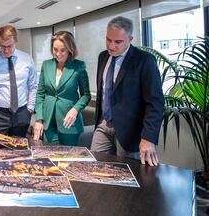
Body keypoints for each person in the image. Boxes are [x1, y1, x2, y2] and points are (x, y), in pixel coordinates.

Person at [91, 16, 164, 166]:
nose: (111, 46)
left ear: (130, 39)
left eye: (118, 42)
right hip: (104, 124)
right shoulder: (103, 57)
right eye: (108, 40)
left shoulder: (144, 60)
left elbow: (155, 102)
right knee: (94, 167)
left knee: (129, 177)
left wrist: (148, 138)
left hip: (131, 132)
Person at [0, 25, 37, 145]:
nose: (6, 50)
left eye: (9, 46)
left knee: (19, 151)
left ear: (16, 41)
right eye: (2, 46)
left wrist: (29, 108)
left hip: (21, 113)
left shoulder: (27, 59)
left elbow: (33, 86)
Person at [33, 31, 91, 145]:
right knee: (48, 157)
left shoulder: (79, 66)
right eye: (55, 49)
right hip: (48, 122)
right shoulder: (46, 65)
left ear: (70, 48)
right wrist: (39, 119)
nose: (58, 54)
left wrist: (75, 109)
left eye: (62, 50)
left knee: (69, 160)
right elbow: (40, 93)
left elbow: (86, 94)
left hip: (69, 123)